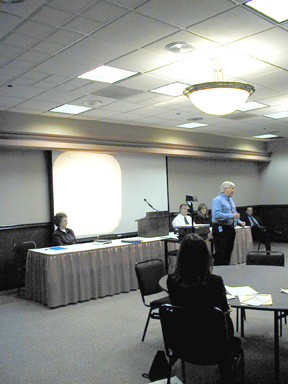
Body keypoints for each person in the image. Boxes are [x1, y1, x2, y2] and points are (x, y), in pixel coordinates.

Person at [167, 233, 235, 378]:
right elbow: (223, 312)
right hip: (214, 342)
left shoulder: (172, 281)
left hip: (183, 338)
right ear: (206, 256)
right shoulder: (214, 282)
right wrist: (227, 309)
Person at [211, 181, 245, 265]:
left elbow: (234, 213)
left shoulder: (230, 200)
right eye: (232, 188)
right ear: (225, 189)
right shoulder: (217, 200)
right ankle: (219, 270)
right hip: (221, 230)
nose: (233, 190)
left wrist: (239, 222)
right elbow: (216, 215)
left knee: (228, 252)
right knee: (221, 253)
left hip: (230, 229)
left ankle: (226, 270)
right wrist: (232, 216)